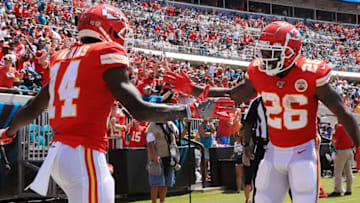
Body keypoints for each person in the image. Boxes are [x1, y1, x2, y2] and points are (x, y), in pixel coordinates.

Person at [0, 4, 234, 203]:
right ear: (108, 29)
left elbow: (34, 106)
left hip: (59, 153)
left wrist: (9, 131)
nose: (122, 38)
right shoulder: (105, 52)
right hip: (84, 154)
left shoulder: (61, 58)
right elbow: (140, 110)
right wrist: (190, 110)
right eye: (120, 32)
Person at [163, 21, 360, 203]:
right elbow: (234, 95)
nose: (265, 56)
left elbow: (342, 112)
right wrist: (195, 89)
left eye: (271, 51)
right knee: (263, 196)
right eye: (264, 51)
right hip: (273, 151)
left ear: (291, 51)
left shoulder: (310, 73)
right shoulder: (259, 72)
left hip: (303, 151)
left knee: (303, 194)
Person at [242, 96, 268, 203]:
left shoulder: (283, 97)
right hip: (262, 143)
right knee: (259, 178)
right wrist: (247, 144)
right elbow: (248, 124)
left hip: (282, 144)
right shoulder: (257, 102)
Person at [146, 121, 178, 203]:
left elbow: (178, 134)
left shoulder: (170, 124)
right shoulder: (152, 127)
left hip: (169, 156)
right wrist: (154, 156)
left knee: (166, 182)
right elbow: (150, 143)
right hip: (158, 158)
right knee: (156, 183)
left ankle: (162, 201)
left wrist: (186, 126)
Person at [328, 123, 354, 197]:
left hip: (342, 150)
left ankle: (338, 191)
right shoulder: (350, 126)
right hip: (350, 150)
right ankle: (349, 190)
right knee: (348, 171)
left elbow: (335, 139)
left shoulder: (341, 127)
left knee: (338, 171)